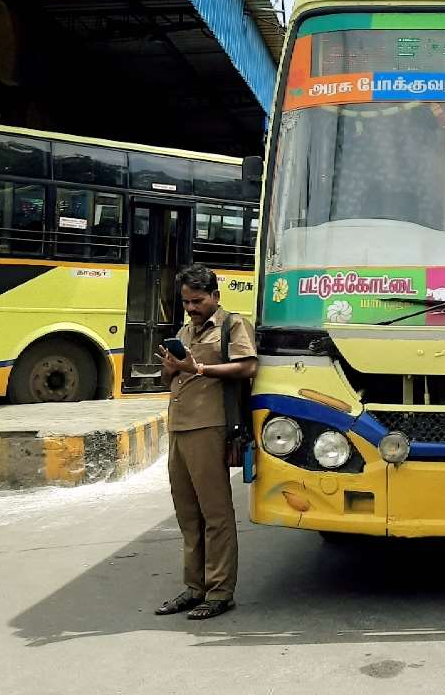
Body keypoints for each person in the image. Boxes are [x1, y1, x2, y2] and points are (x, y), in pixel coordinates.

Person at [154, 264, 258, 621]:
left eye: (197, 301)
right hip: (180, 426)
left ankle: (219, 592)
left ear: (215, 296)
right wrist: (171, 365)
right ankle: (194, 588)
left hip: (210, 427)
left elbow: (247, 367)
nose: (191, 308)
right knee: (187, 513)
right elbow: (172, 378)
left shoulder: (233, 325)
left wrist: (198, 369)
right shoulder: (186, 329)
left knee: (215, 514)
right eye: (186, 302)